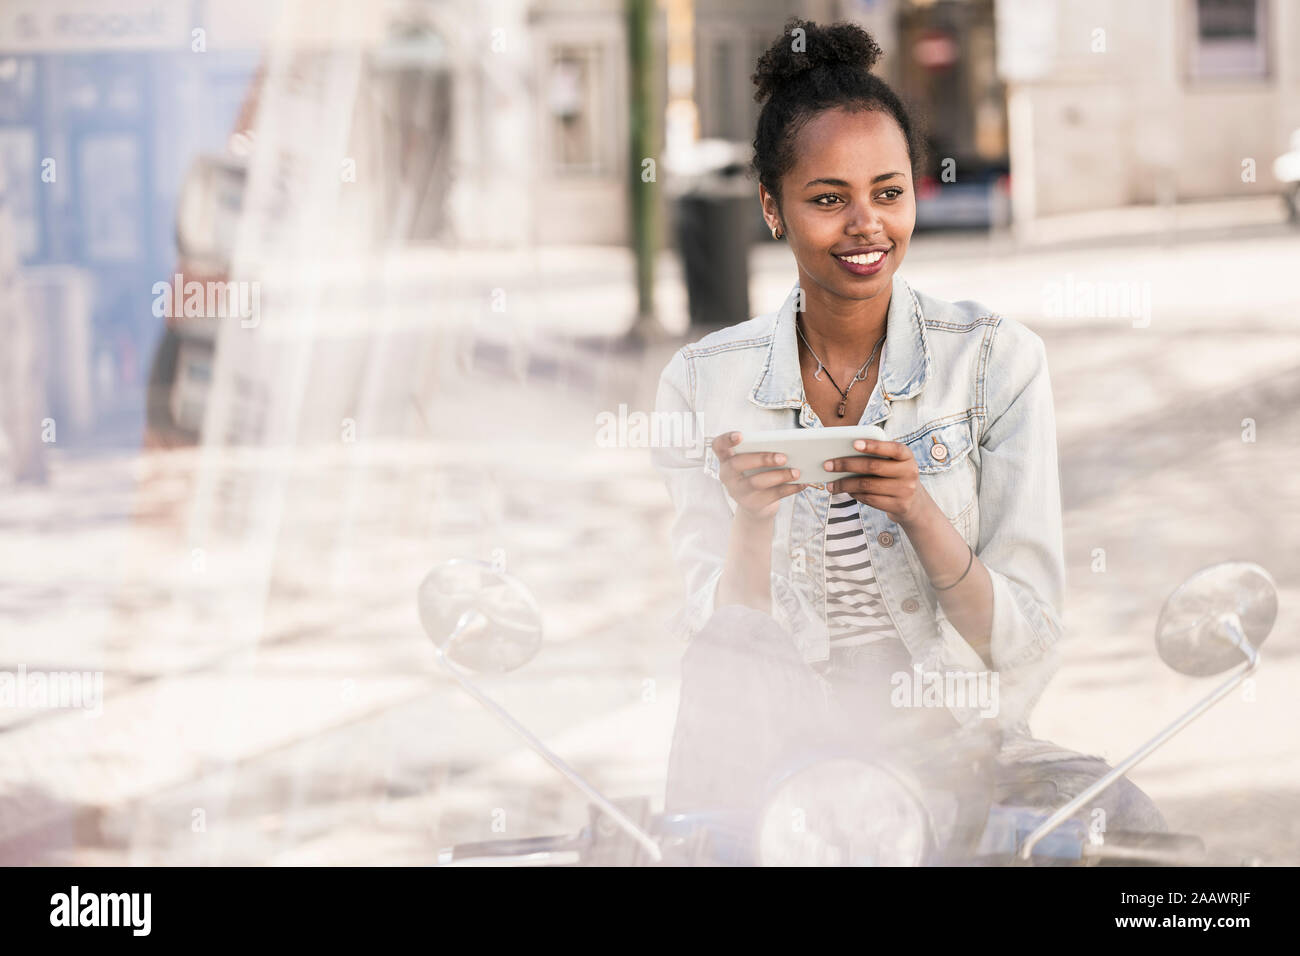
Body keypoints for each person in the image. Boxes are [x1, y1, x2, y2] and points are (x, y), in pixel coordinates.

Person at [650, 18, 1166, 849]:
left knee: (1135, 835)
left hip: (951, 741)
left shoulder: (997, 361)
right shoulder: (702, 383)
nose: (866, 225)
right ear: (772, 209)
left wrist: (920, 514)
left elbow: (1025, 640)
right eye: (828, 199)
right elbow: (722, 653)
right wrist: (751, 524)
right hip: (768, 754)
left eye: (888, 193)